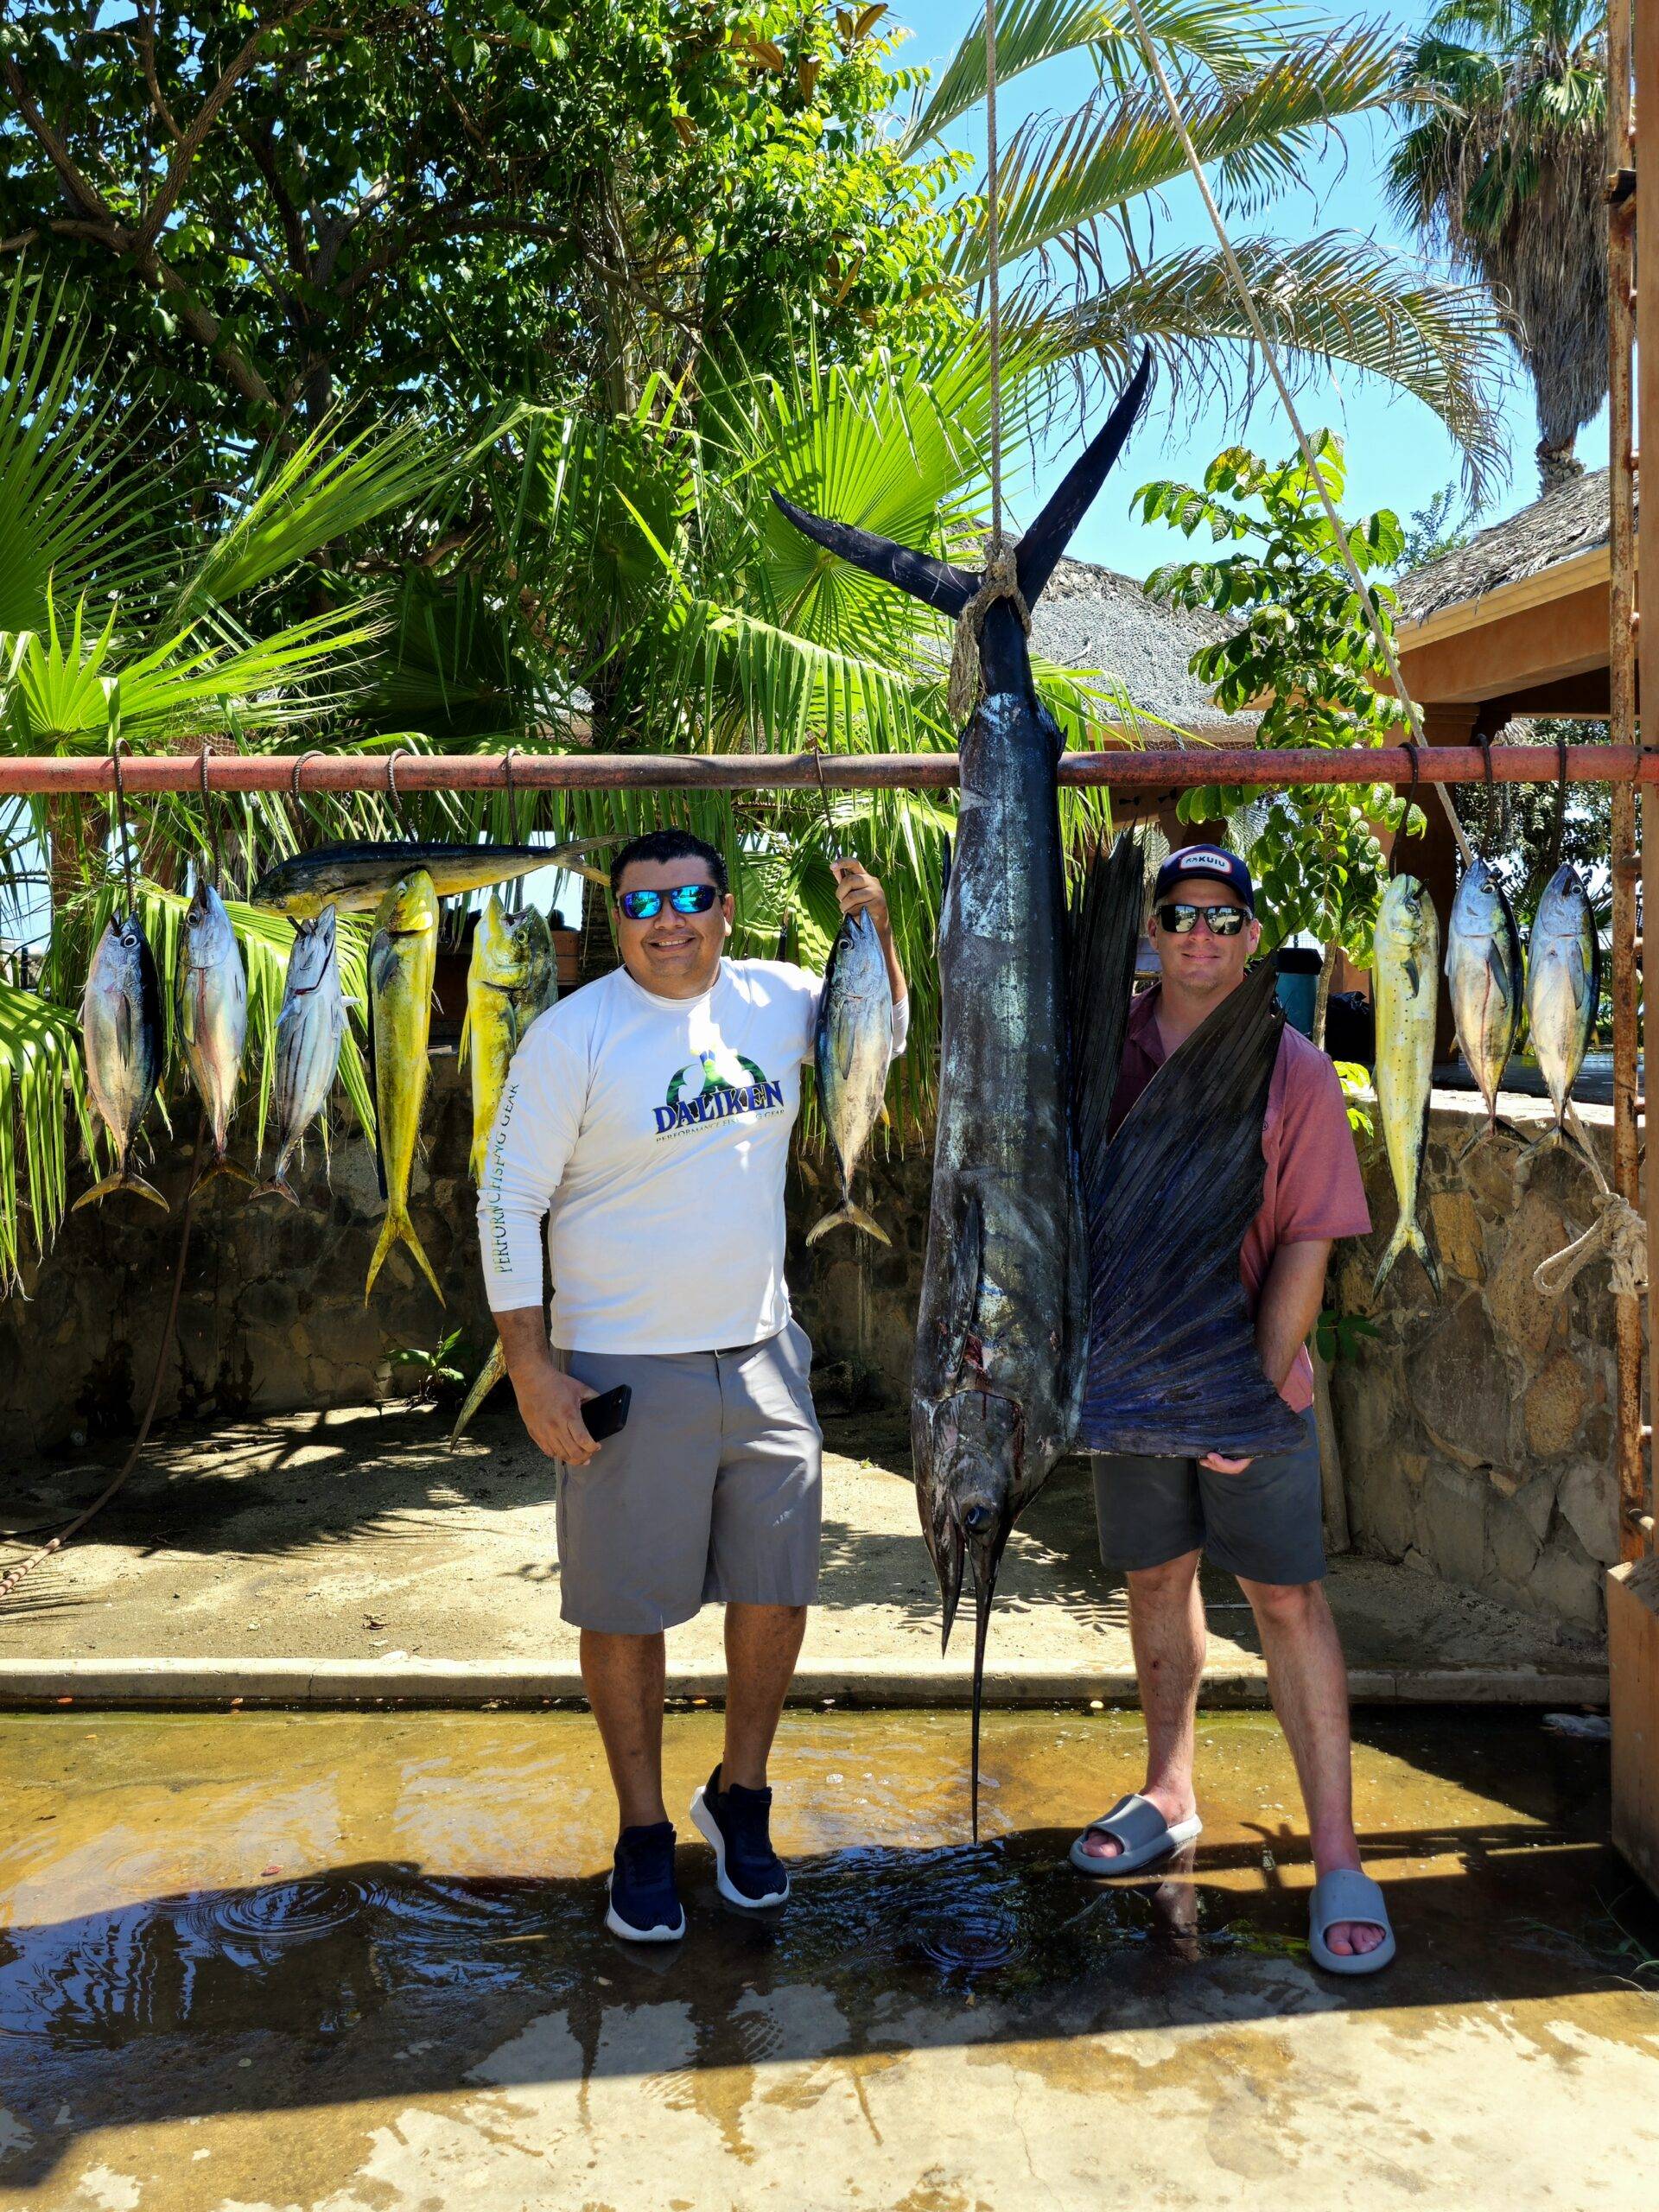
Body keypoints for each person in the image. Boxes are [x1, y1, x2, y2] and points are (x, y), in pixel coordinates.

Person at [478, 827, 907, 1943]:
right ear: (616, 919)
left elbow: (882, 1033)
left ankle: (742, 1795)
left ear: (726, 908)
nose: (667, 919)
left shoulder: (781, 998)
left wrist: (882, 930)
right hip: (624, 1361)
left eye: (690, 896)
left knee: (776, 1591)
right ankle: (639, 1830)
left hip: (765, 1355)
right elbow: (504, 1203)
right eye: (642, 903)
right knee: (628, 1610)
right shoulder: (572, 1037)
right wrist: (532, 1367)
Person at [1071, 843, 1394, 1975]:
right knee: (1155, 1580)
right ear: (1151, 931)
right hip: (1131, 1382)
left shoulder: (1294, 1068)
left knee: (1290, 1602)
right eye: (1178, 916)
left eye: (1223, 918)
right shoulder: (1101, 1046)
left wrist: (1246, 1400)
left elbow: (1309, 1242)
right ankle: (1171, 1790)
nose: (1200, 936)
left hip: (1251, 1388)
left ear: (1253, 934)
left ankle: (1341, 1856)